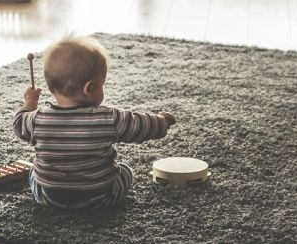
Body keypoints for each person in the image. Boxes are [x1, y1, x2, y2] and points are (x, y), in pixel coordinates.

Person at [13, 35, 176, 210]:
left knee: (33, 171)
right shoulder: (109, 118)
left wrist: (30, 102)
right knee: (125, 171)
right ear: (89, 88)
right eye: (102, 84)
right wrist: (162, 121)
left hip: (49, 197)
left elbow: (19, 123)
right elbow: (141, 125)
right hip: (100, 197)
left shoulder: (36, 120)